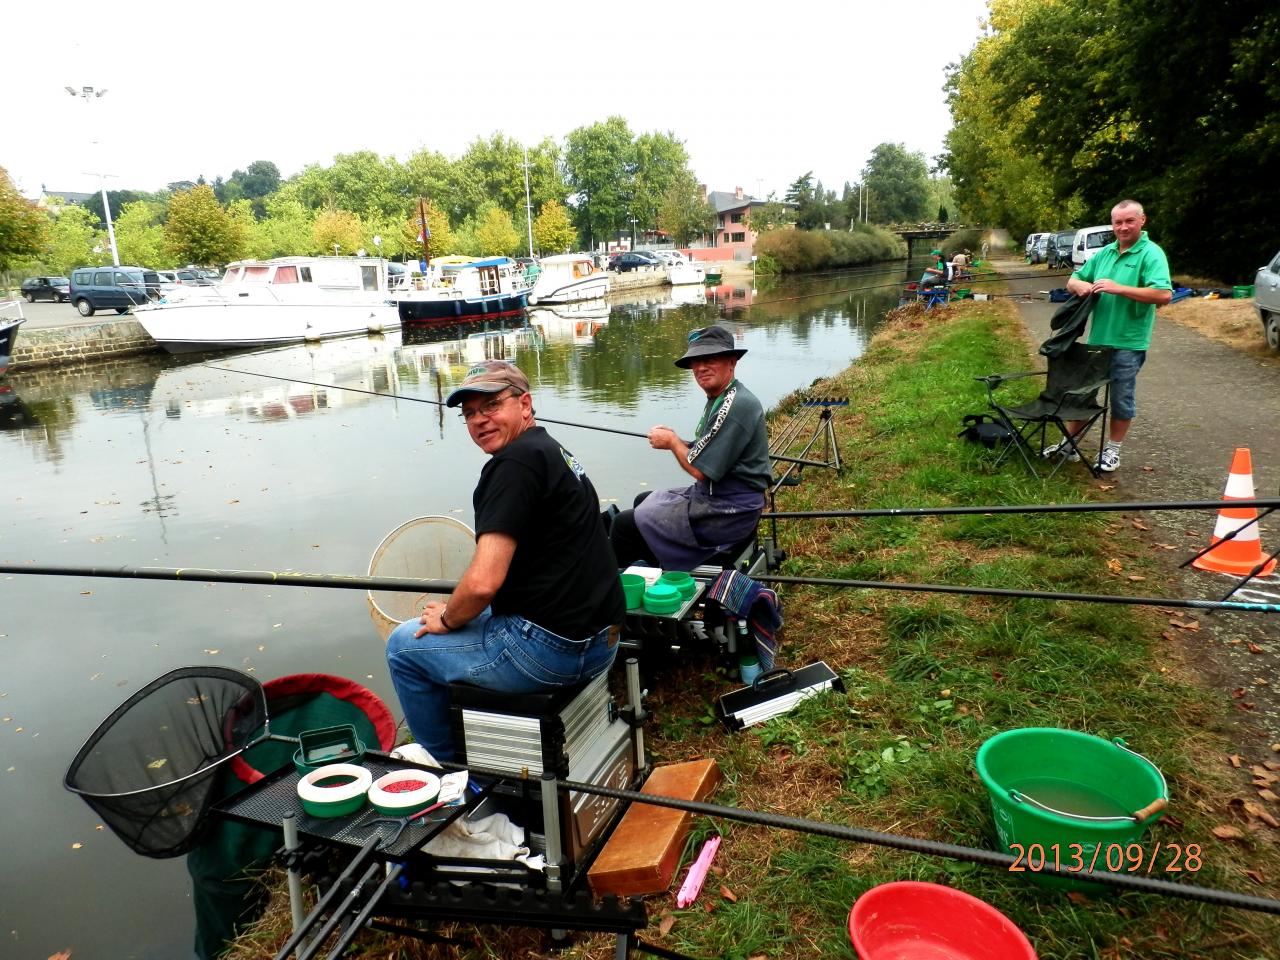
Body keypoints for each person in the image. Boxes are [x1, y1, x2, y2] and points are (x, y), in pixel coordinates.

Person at [385, 360, 624, 761]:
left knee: (403, 647)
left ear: (525, 404)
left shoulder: (512, 464)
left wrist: (447, 619)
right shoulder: (552, 451)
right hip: (605, 640)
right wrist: (459, 611)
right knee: (473, 612)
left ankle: (447, 774)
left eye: (491, 405)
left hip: (554, 653)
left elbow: (482, 583)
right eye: (470, 414)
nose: (480, 420)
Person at [609, 324, 771, 571]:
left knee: (623, 525)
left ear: (731, 361)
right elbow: (708, 448)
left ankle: (621, 597)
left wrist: (673, 443)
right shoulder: (722, 397)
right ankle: (660, 572)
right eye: (696, 361)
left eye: (710, 359)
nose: (701, 367)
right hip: (718, 497)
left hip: (729, 511)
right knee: (642, 501)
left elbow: (700, 471)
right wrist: (680, 440)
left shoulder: (735, 405)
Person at [1050, 199, 1172, 473]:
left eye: (1129, 221)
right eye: (1118, 222)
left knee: (1121, 399)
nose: (1123, 227)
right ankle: (1069, 444)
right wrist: (1079, 285)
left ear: (1142, 221)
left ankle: (1113, 450)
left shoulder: (1152, 254)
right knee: (1081, 396)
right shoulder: (1105, 253)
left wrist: (1120, 288)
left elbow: (1163, 295)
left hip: (1129, 343)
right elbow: (1073, 279)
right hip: (1097, 342)